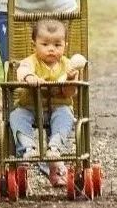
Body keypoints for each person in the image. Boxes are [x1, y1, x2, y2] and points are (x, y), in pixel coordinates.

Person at [9, 17, 86, 185]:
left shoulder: (67, 65)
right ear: (34, 44)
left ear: (65, 45)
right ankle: (28, 148)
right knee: (16, 116)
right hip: (30, 107)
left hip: (57, 107)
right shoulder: (31, 61)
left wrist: (71, 80)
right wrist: (29, 77)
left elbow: (68, 94)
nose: (51, 49)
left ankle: (55, 149)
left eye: (57, 45)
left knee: (65, 115)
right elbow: (22, 70)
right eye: (45, 45)